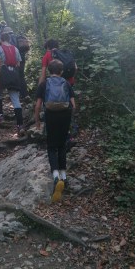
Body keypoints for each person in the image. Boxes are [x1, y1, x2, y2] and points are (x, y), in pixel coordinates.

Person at [35, 59, 76, 202]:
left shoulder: (44, 83)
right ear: (62, 71)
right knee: (62, 145)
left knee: (51, 146)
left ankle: (56, 176)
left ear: (49, 71)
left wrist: (37, 121)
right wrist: (70, 120)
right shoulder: (66, 83)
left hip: (51, 115)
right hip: (64, 115)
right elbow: (73, 104)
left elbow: (38, 105)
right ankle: (64, 177)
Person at [0, 31, 24, 135]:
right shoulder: (15, 49)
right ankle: (20, 125)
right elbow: (18, 64)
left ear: (1, 40)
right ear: (10, 40)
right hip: (14, 74)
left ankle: (0, 115)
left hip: (3, 73)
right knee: (15, 99)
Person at [3, 26, 30, 101]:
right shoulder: (17, 37)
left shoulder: (8, 39)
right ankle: (25, 94)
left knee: (14, 76)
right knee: (21, 76)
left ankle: (16, 94)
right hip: (22, 59)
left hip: (14, 60)